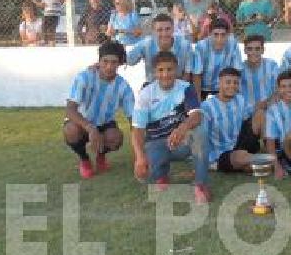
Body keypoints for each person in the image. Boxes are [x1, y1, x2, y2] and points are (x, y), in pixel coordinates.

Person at [131, 51, 211, 203]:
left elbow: (196, 116)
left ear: (176, 70)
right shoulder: (146, 93)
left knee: (200, 132)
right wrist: (140, 158)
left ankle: (200, 184)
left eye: (169, 69)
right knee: (145, 176)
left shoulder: (186, 88)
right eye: (161, 70)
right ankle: (161, 175)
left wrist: (182, 128)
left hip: (180, 142)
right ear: (155, 72)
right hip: (156, 143)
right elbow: (137, 130)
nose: (165, 74)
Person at [63, 41, 135, 179]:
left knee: (116, 137)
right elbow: (70, 110)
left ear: (120, 63)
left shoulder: (123, 87)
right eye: (105, 61)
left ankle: (100, 156)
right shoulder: (84, 77)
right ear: (99, 60)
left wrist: (139, 153)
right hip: (81, 121)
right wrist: (90, 128)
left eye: (114, 62)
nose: (109, 66)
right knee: (70, 130)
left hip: (104, 123)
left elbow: (133, 120)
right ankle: (84, 160)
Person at [200, 67, 265, 173]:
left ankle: (271, 154)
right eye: (228, 82)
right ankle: (267, 161)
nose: (232, 86)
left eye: (235, 83)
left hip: (239, 145)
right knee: (241, 159)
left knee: (260, 113)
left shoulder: (240, 100)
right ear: (219, 83)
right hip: (221, 153)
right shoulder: (206, 106)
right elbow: (201, 136)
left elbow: (253, 117)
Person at [126, 14, 195, 87]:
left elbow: (187, 73)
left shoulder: (185, 45)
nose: (164, 34)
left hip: (178, 85)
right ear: (153, 31)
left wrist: (175, 92)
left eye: (168, 29)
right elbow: (129, 61)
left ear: (173, 29)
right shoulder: (146, 44)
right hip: (152, 86)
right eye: (159, 30)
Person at [192, 19, 244, 100]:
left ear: (228, 35)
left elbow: (237, 71)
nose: (219, 39)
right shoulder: (201, 47)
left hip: (225, 88)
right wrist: (198, 98)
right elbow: (196, 74)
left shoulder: (233, 44)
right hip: (204, 89)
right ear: (209, 34)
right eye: (215, 34)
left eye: (223, 35)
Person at [263, 71, 291, 178]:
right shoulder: (273, 110)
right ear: (279, 89)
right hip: (285, 150)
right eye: (283, 87)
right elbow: (270, 142)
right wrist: (276, 167)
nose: (288, 90)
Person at [240, 34, 279, 109]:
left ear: (263, 50)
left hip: (270, 110)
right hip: (245, 113)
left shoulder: (272, 66)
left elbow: (278, 91)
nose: (253, 52)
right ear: (245, 50)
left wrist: (265, 104)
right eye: (250, 49)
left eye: (257, 49)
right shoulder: (239, 69)